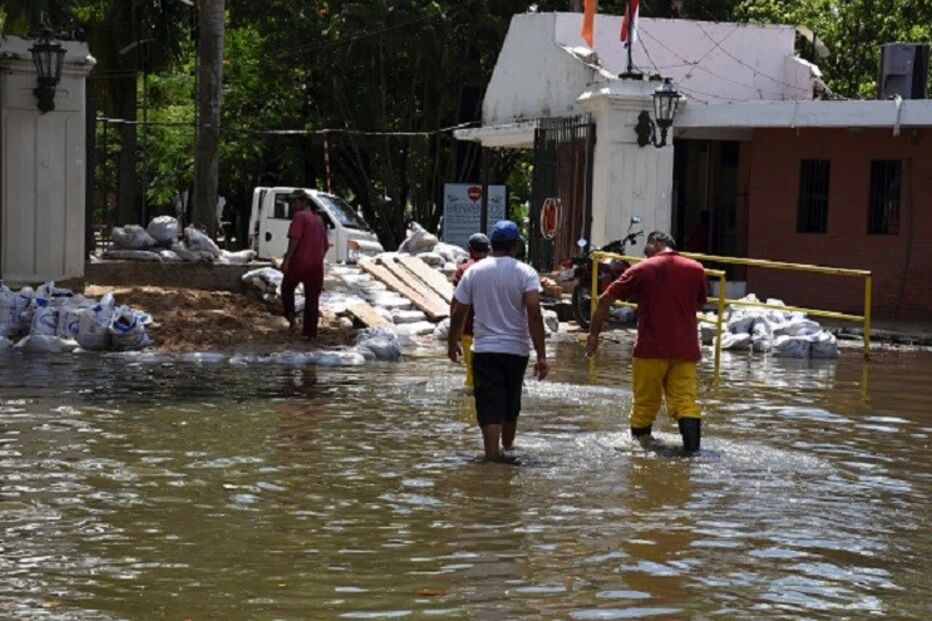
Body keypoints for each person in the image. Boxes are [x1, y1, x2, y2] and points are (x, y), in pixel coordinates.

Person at [585, 231, 707, 453]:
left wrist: (593, 335)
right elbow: (698, 304)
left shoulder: (642, 269)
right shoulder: (696, 269)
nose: (645, 253)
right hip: (685, 350)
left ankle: (640, 458)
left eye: (647, 248)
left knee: (644, 406)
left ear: (656, 242)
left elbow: (604, 300)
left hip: (650, 349)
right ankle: (692, 456)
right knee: (686, 402)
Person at [448, 220, 549, 462]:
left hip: (485, 349)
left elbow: (458, 311)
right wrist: (542, 355)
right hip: (517, 350)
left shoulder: (474, 271)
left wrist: (452, 342)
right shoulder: (526, 272)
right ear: (515, 245)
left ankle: (491, 456)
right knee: (512, 399)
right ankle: (509, 448)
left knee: (489, 403)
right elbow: (535, 313)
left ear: (493, 244)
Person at [281, 189, 330, 339]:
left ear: (303, 202)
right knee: (312, 299)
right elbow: (326, 245)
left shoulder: (300, 217)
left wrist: (287, 259)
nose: (293, 205)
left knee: (287, 288)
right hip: (316, 265)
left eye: (295, 202)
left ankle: (292, 320)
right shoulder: (319, 220)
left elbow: (294, 238)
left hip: (299, 262)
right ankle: (310, 333)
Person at [450, 233, 491, 388]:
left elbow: (457, 304)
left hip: (469, 328)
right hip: (493, 329)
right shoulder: (497, 268)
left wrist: (452, 340)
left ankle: (470, 407)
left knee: (472, 370)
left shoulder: (464, 269)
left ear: (469, 249)